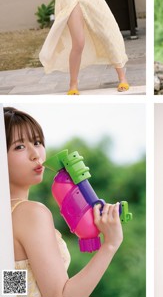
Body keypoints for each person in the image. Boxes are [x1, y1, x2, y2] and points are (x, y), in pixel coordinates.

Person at [4, 107, 123, 296]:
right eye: (19, 146)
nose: (36, 154)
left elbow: (12, 290)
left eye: (37, 142)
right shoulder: (30, 213)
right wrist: (110, 244)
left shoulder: (8, 216)